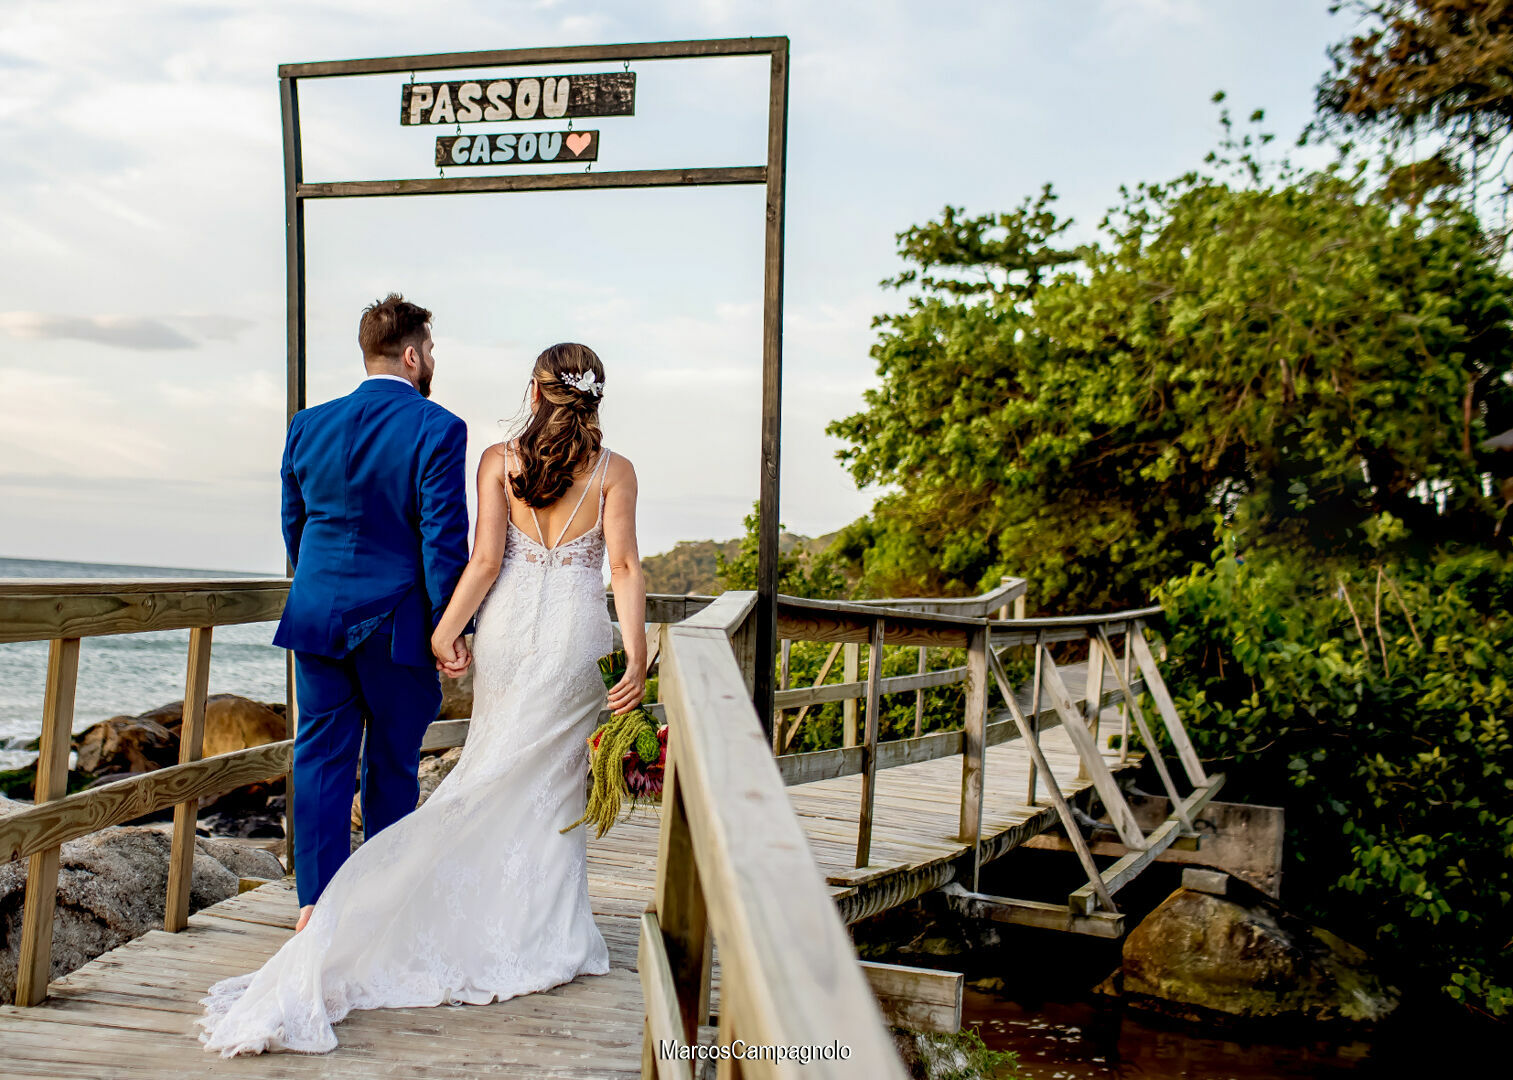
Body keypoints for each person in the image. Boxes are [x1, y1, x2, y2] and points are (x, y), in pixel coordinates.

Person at [196, 341, 646, 1056]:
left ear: (535, 392)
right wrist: (639, 651)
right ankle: (549, 932)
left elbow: (484, 561)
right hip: (575, 642)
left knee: (483, 770)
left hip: (498, 637)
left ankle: (351, 899)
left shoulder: (500, 461)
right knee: (550, 786)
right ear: (592, 397)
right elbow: (621, 565)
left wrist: (447, 633)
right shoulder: (614, 471)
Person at [271, 293, 472, 936]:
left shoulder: (308, 425)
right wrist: (450, 626)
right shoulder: (438, 428)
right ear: (412, 356)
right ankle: (382, 906)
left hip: (318, 616)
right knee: (391, 762)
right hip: (395, 625)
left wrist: (321, 589)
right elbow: (443, 540)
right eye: (431, 351)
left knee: (319, 759)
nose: (432, 361)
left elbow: (295, 528)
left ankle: (315, 906)